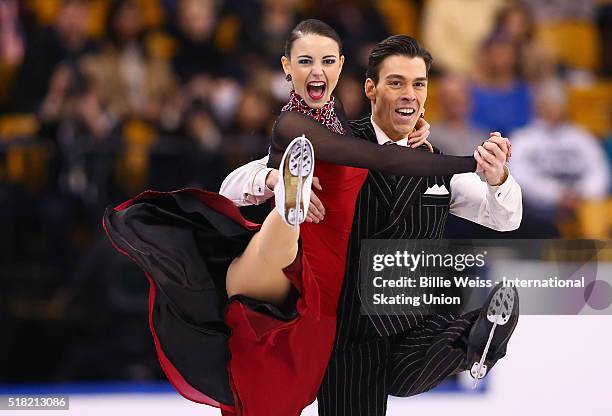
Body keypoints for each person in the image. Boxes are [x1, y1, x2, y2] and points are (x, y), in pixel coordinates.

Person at [104, 20, 498, 416]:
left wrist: (411, 131)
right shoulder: (292, 124)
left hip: (320, 289)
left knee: (281, 385)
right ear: (286, 67)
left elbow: (385, 147)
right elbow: (383, 158)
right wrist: (471, 161)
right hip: (298, 263)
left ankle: (292, 199)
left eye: (327, 61)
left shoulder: (340, 118)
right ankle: (291, 199)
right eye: (305, 61)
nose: (317, 70)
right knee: (280, 236)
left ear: (341, 67)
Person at [221, 34, 522, 415]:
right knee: (382, 379)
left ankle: (480, 337)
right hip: (348, 330)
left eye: (419, 84)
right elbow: (230, 187)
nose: (409, 94)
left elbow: (506, 218)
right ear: (371, 88)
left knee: (424, 354)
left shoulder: (437, 162)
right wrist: (272, 179)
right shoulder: (336, 142)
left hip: (411, 323)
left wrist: (498, 178)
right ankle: (476, 343)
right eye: (396, 83)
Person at [510, 79, 610, 237]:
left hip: (583, 203)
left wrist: (581, 193)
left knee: (596, 213)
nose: (552, 108)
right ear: (537, 106)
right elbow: (518, 176)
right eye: (547, 103)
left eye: (556, 103)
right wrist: (556, 194)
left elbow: (599, 171)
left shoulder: (582, 137)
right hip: (538, 208)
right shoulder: (523, 139)